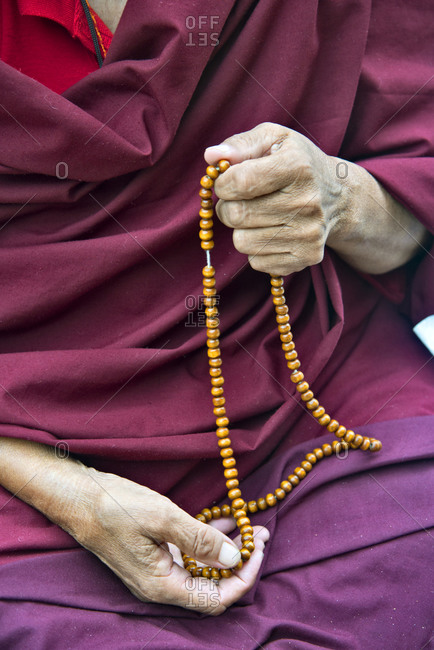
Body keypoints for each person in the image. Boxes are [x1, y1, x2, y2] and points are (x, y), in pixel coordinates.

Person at [0, 0, 433, 647]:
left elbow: (412, 227)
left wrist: (341, 199)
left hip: (305, 379)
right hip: (22, 460)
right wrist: (72, 493)